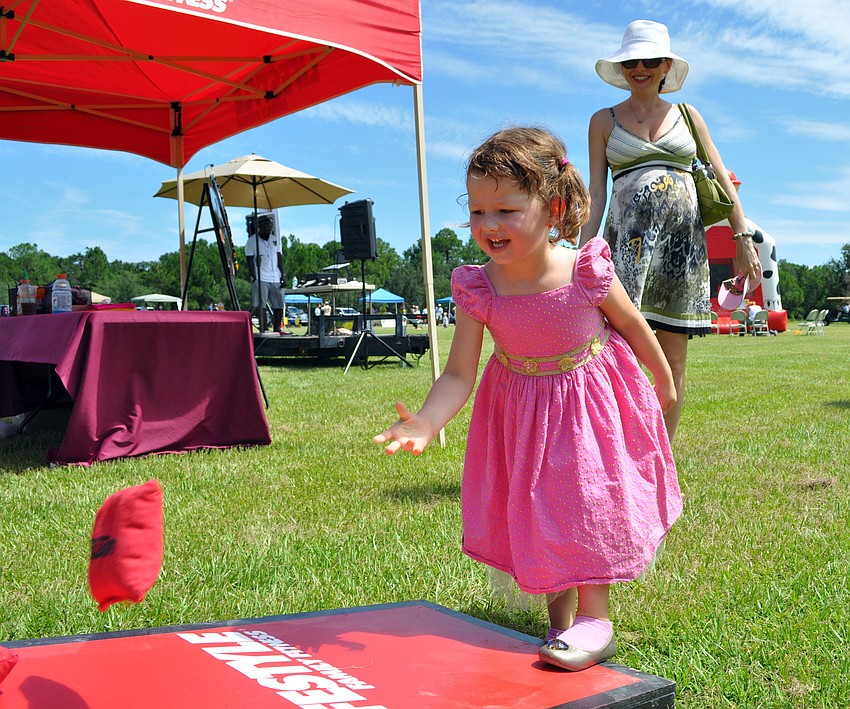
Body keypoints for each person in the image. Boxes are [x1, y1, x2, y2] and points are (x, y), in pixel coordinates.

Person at [374, 127, 681, 672]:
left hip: (589, 404)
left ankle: (596, 617)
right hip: (521, 414)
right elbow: (458, 372)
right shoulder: (478, 288)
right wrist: (425, 420)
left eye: (505, 210)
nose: (488, 225)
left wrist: (662, 381)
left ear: (553, 206)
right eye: (477, 212)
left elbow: (634, 326)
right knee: (543, 510)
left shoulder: (584, 270)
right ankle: (559, 622)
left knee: (587, 503)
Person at [580, 20, 760, 442]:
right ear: (622, 68)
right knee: (621, 357)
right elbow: (595, 190)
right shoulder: (601, 121)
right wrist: (583, 253)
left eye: (650, 60)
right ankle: (619, 452)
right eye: (631, 61)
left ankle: (661, 458)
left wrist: (742, 239)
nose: (640, 68)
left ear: (666, 66)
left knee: (674, 360)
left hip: (683, 252)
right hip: (627, 253)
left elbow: (720, 175)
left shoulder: (688, 116)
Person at [245, 212, 285, 334]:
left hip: (276, 277)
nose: (269, 227)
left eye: (270, 225)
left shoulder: (274, 240)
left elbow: (279, 257)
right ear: (259, 227)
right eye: (266, 225)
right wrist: (254, 276)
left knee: (279, 304)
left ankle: (277, 328)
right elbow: (249, 260)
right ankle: (264, 329)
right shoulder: (252, 241)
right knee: (261, 305)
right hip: (261, 277)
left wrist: (283, 275)